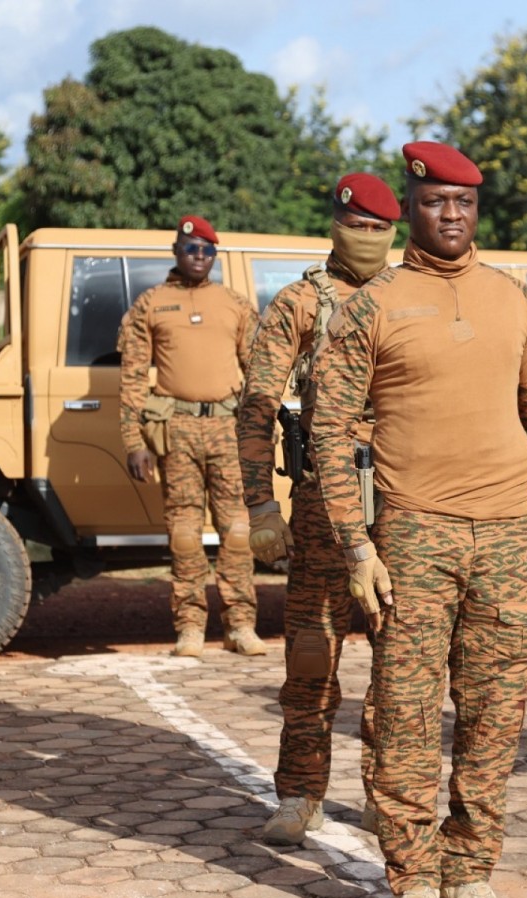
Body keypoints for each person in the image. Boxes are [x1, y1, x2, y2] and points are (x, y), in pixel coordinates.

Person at [311, 142, 527, 898]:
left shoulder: (517, 300)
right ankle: (415, 879)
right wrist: (358, 547)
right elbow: (327, 432)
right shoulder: (374, 305)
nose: (450, 216)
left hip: (506, 536)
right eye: (435, 204)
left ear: (476, 210)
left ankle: (473, 872)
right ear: (412, 210)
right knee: (407, 713)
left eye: (463, 204)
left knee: (495, 715)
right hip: (413, 534)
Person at [237, 173, 401, 845]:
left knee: (402, 661)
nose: (365, 239)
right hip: (320, 504)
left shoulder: (412, 298)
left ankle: (387, 794)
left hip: (403, 503)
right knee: (310, 655)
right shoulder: (301, 303)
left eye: (377, 228)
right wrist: (259, 509)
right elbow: (256, 408)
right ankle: (299, 792)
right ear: (334, 226)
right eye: (354, 226)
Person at [118, 215, 266, 658]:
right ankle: (189, 627)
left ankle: (240, 625)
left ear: (214, 256)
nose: (198, 257)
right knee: (183, 533)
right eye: (190, 249)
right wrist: (133, 441)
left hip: (227, 427)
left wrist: (259, 432)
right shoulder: (151, 304)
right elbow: (131, 378)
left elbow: (258, 371)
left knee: (238, 531)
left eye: (206, 250)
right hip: (176, 430)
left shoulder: (234, 304)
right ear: (176, 252)